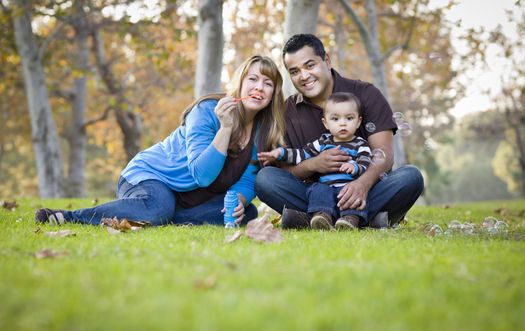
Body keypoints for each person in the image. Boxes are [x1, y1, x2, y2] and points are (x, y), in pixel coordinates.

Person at [36, 55, 285, 227]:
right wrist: (226, 128)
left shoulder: (263, 130)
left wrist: (239, 201)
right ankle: (70, 216)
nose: (259, 88)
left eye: (267, 83)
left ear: (273, 93)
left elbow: (248, 179)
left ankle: (163, 215)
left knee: (247, 214)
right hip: (149, 177)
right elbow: (202, 175)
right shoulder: (207, 112)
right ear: (240, 83)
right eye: (253, 79)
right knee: (158, 207)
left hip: (187, 198)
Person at [255, 34, 424, 229]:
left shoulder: (366, 94)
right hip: (316, 195)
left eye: (310, 65)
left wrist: (362, 184)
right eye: (294, 71)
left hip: (368, 191)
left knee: (410, 177)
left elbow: (384, 156)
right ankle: (364, 220)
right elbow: (284, 171)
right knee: (266, 179)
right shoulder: (286, 112)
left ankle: (311, 220)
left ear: (326, 60)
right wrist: (313, 165)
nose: (304, 76)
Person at [257, 92, 371, 230]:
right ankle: (322, 216)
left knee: (352, 198)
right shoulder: (323, 142)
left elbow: (365, 162)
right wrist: (280, 153)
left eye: (349, 118)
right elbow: (303, 154)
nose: (342, 123)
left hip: (348, 187)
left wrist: (355, 166)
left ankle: (349, 220)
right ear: (326, 123)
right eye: (335, 119)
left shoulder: (360, 144)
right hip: (327, 188)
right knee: (318, 189)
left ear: (358, 122)